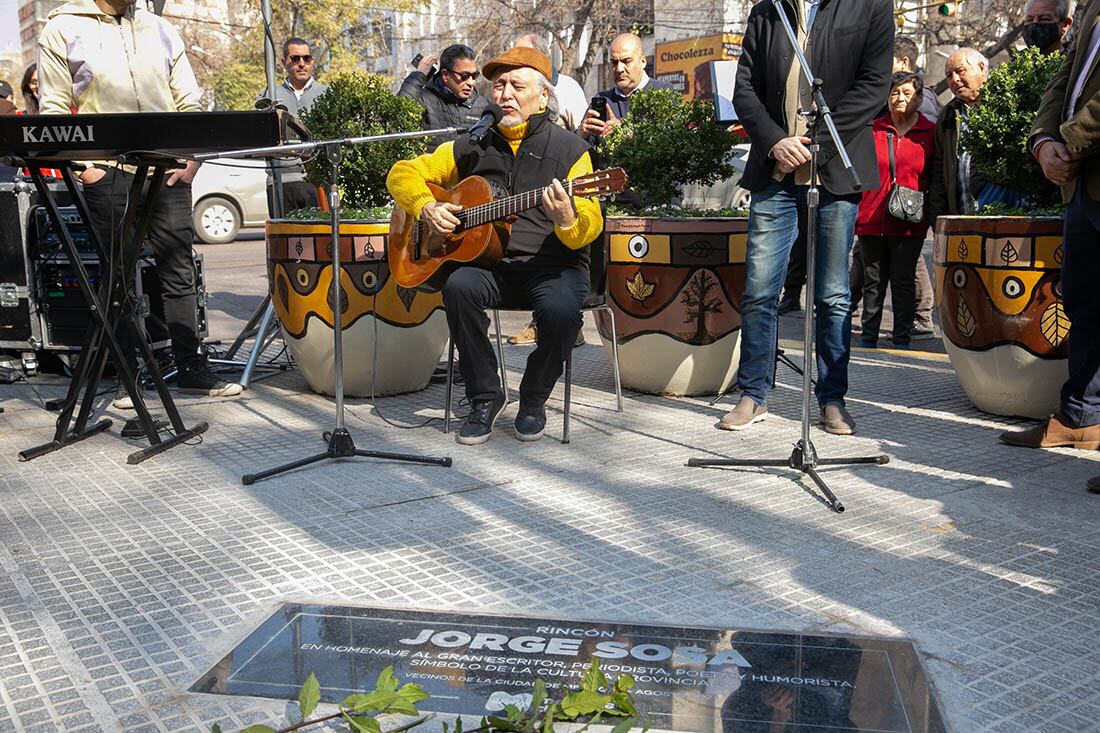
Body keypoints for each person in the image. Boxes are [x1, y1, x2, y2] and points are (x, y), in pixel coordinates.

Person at [387, 46, 602, 445]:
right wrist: (427, 206)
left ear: (542, 96)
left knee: (560, 312)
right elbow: (402, 173)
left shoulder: (572, 150)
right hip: (493, 266)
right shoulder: (473, 143)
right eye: (498, 85)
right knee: (458, 287)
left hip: (553, 266)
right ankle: (485, 396)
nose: (504, 94)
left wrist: (568, 220)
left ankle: (534, 397)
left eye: (516, 86)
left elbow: (591, 224)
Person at [38, 0, 241, 403]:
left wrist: (191, 160)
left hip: (166, 171)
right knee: (117, 278)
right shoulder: (62, 26)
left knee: (179, 271)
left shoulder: (159, 27)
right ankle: (129, 377)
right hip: (107, 171)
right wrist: (85, 167)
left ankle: (192, 369)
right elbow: (56, 111)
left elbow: (190, 101)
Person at [720, 0, 894, 435]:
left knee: (833, 294)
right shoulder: (767, 10)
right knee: (761, 289)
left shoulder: (869, 6)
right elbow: (746, 89)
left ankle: (832, 399)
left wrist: (813, 141)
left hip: (836, 167)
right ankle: (753, 394)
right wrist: (777, 142)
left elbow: (874, 86)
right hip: (775, 170)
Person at [1001, 0, 1100, 473]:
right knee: (1084, 302)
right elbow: (1066, 77)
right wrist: (1043, 143)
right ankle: (1081, 417)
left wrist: (1072, 141)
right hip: (1081, 184)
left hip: (1083, 160)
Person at [850, 35, 939, 337]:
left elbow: (935, 174)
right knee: (873, 281)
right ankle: (869, 334)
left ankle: (902, 334)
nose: (901, 98)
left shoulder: (930, 131)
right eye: (894, 94)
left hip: (910, 218)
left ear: (918, 97)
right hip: (872, 215)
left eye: (907, 93)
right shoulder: (874, 129)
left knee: (902, 280)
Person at [507, 33, 592, 347]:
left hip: (558, 174)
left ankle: (558, 326)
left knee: (555, 277)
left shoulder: (567, 87)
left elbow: (578, 131)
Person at [265, 37, 327, 216]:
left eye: (306, 58)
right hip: (279, 182)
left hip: (317, 184)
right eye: (295, 58)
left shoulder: (327, 94)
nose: (301, 64)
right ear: (285, 62)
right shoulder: (270, 95)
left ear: (312, 61)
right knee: (284, 240)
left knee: (321, 240)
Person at [577, 32, 675, 143]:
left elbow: (672, 140)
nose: (619, 69)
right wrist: (581, 134)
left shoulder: (663, 93)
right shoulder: (603, 99)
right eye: (614, 62)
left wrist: (628, 133)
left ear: (642, 62)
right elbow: (583, 149)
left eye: (626, 61)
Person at [928, 48, 988, 223]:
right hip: (959, 216)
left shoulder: (1002, 104)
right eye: (949, 76)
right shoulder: (948, 114)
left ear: (982, 68)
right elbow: (939, 169)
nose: (954, 80)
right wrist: (937, 217)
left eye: (960, 71)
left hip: (997, 213)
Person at [398, 43, 490, 150]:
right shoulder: (424, 99)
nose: (471, 83)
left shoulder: (484, 106)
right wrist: (419, 75)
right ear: (445, 75)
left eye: (474, 76)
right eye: (464, 76)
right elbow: (399, 118)